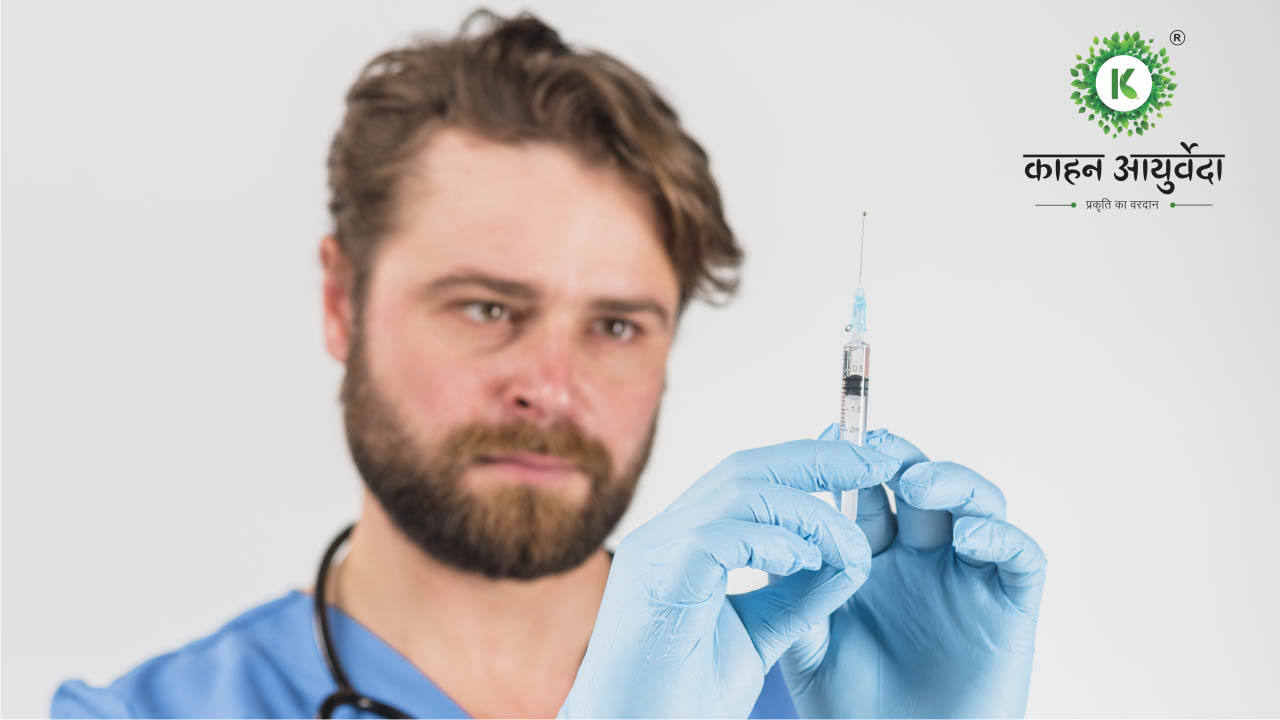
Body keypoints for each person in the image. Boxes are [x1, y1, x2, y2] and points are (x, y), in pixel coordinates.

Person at [51, 8, 1046, 718]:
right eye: (487, 308)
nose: (552, 385)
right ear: (339, 302)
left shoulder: (800, 688)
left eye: (614, 326)